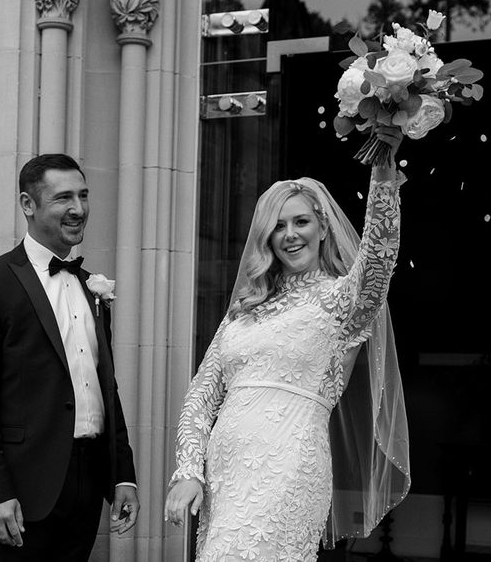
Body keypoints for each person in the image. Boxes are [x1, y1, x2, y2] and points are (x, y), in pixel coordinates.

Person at [164, 125, 411, 561]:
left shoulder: (341, 300)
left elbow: (379, 256)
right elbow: (202, 394)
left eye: (301, 221)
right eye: (278, 226)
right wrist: (187, 471)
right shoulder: (246, 306)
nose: (290, 234)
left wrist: (384, 170)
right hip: (225, 470)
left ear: (322, 228)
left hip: (290, 464)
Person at [0, 153, 139, 562]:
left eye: (84, 195)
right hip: (20, 489)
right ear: (27, 204)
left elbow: (104, 384)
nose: (78, 209)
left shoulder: (92, 285)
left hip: (87, 481)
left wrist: (123, 473)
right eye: (63, 198)